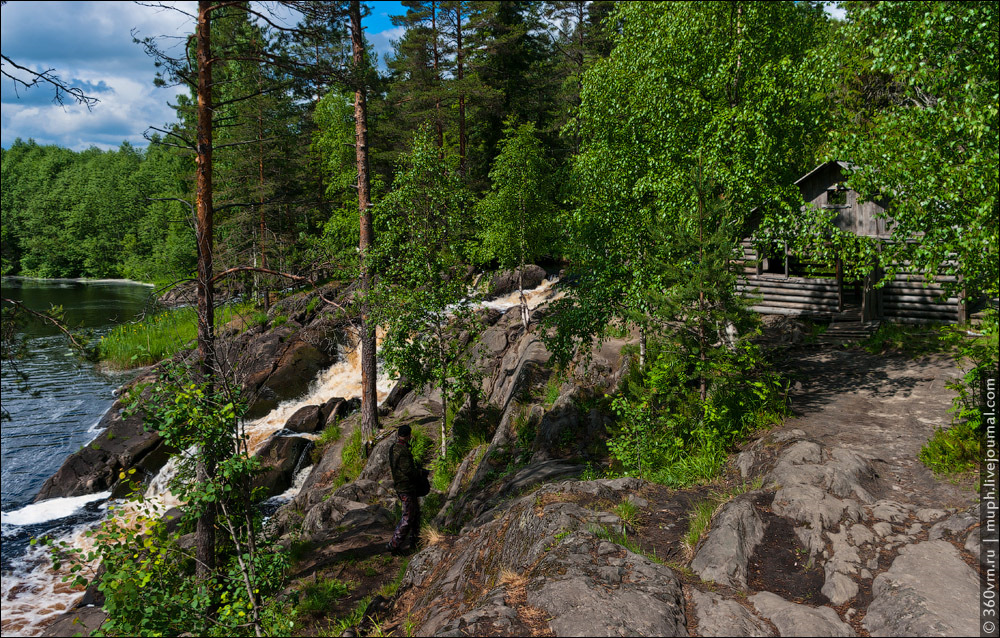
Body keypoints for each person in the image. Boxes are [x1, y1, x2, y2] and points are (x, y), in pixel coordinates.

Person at [387, 424, 420, 554]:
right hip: (406, 487)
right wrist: (420, 473)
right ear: (408, 436)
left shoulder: (393, 448)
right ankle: (393, 544)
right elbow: (408, 470)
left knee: (414, 514)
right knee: (408, 516)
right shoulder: (402, 450)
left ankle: (415, 540)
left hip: (402, 486)